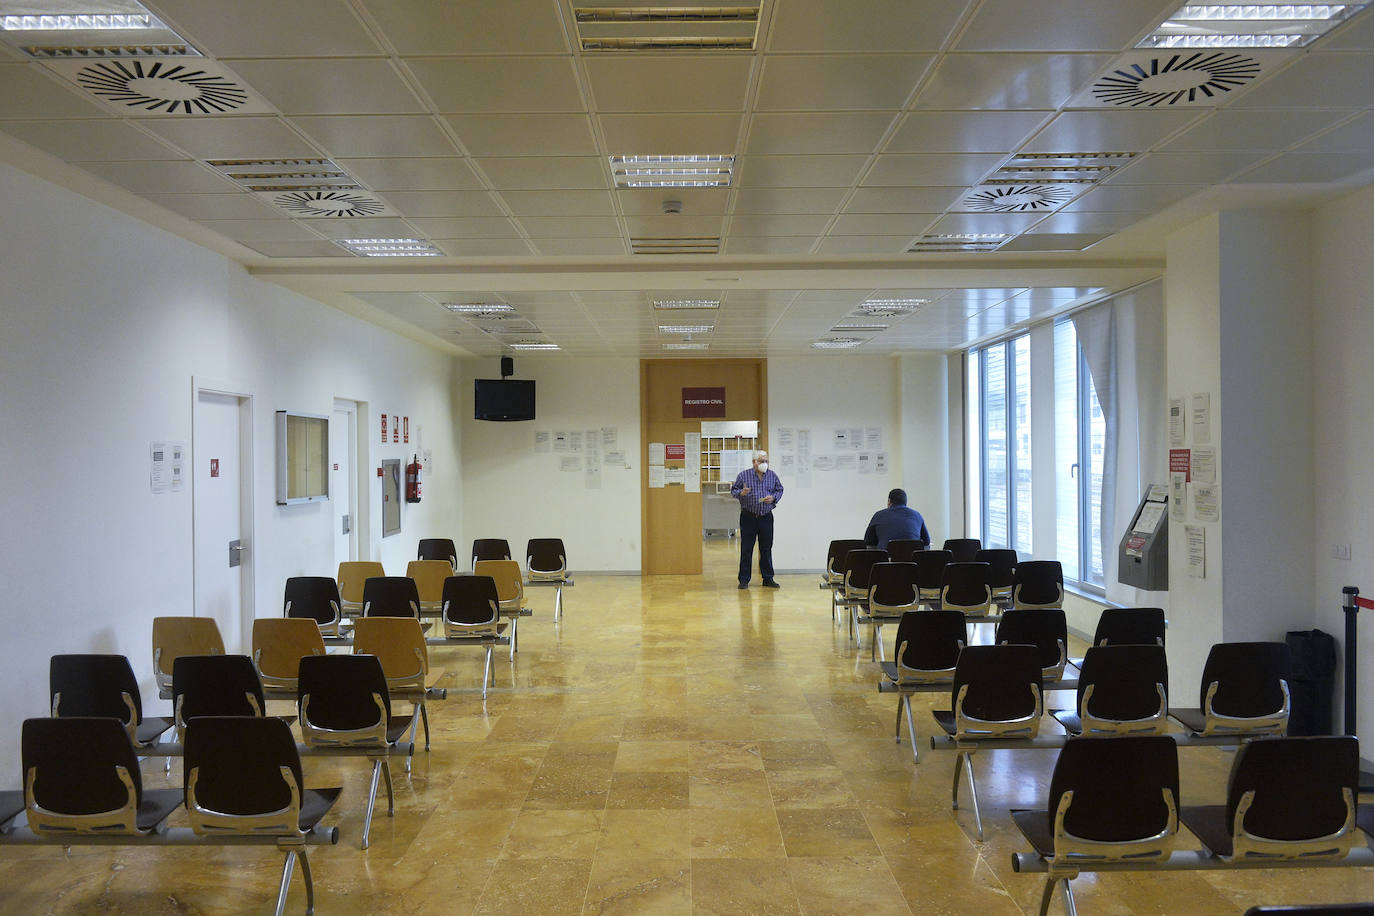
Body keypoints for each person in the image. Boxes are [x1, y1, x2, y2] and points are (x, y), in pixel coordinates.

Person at [731, 450, 784, 589]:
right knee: (747, 549)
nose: (764, 463)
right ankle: (744, 580)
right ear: (754, 462)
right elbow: (733, 491)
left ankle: (768, 578)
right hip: (748, 517)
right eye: (761, 461)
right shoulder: (744, 475)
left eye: (766, 461)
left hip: (766, 517)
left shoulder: (772, 476)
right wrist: (741, 493)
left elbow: (780, 489)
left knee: (766, 548)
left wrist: (773, 498)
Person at [864, 488, 930, 550]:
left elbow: (868, 541)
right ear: (905, 502)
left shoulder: (878, 515)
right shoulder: (917, 515)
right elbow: (927, 542)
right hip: (912, 560)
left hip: (886, 560)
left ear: (889, 501)